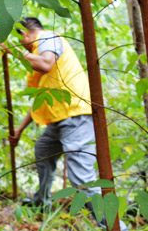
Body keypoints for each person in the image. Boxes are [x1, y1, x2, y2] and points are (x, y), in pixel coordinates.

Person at [6, 17, 98, 208]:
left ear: (25, 34)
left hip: (75, 116)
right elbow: (40, 101)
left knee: (82, 181)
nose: (24, 46)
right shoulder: (40, 54)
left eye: (21, 40)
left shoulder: (46, 37)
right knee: (43, 150)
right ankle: (41, 202)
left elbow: (46, 63)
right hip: (59, 120)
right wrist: (20, 129)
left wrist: (13, 50)